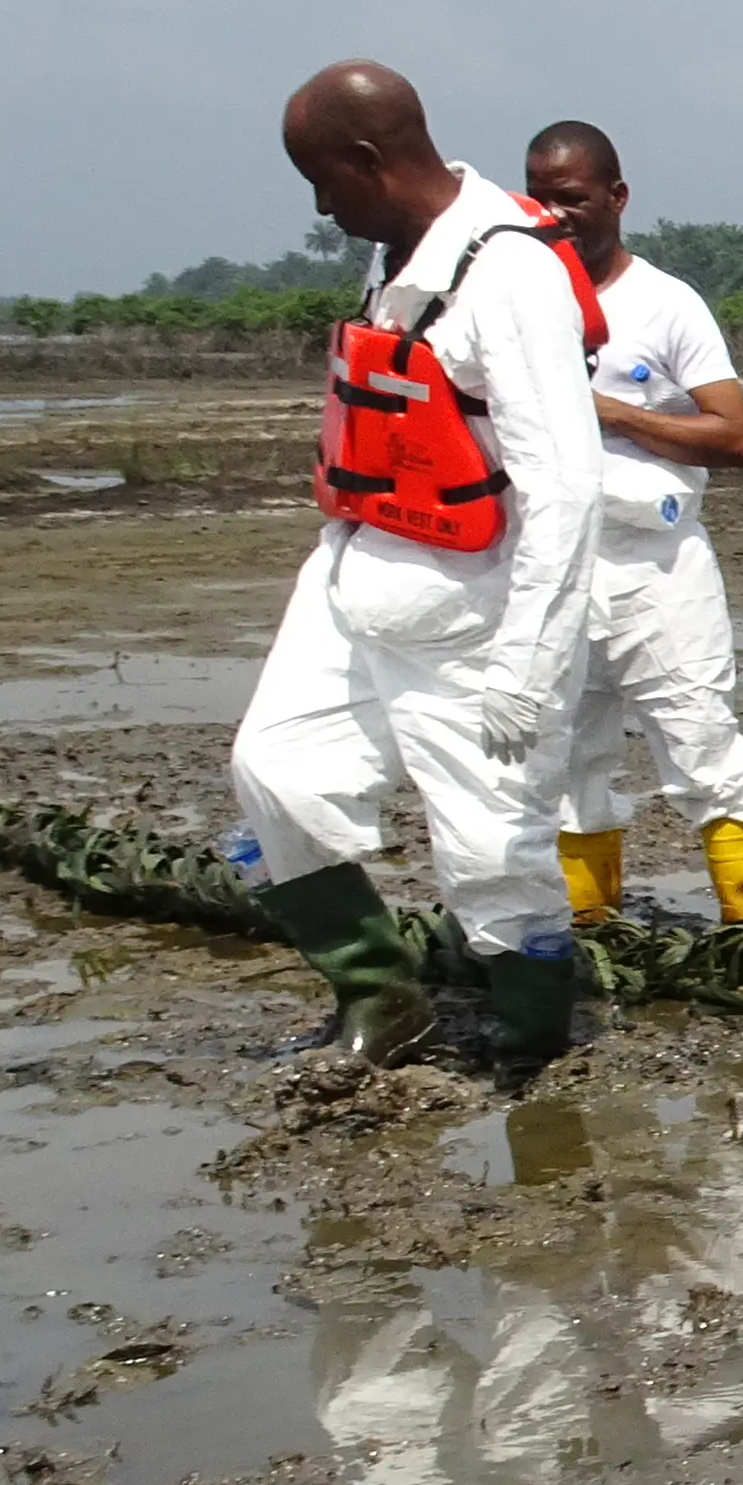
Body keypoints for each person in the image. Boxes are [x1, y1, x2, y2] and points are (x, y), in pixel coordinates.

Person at [232, 61, 606, 1078]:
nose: (320, 206)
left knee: (494, 854)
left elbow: (566, 487)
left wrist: (529, 662)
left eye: (324, 180)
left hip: (478, 609)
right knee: (273, 771)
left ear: (369, 159)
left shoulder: (510, 274)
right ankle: (380, 995)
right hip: (358, 574)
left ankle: (533, 1049)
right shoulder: (399, 259)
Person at [517, 121, 743, 929]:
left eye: (574, 200)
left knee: (701, 742)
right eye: (540, 201)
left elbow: (733, 438)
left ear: (616, 198)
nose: (556, 217)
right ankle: (591, 925)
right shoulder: (517, 304)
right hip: (554, 567)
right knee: (564, 760)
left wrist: (609, 414)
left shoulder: (665, 304)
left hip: (657, 570)